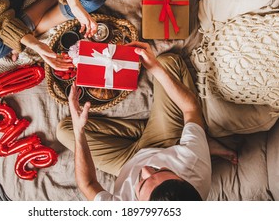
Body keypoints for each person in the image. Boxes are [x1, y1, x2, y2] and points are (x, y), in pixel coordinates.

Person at [57, 41, 238, 201]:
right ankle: (196, 138)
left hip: (126, 161)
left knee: (65, 130)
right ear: (182, 178)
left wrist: (79, 130)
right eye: (160, 170)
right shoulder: (193, 165)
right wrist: (154, 68)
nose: (144, 170)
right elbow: (191, 108)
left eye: (142, 183)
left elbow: (88, 184)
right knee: (168, 62)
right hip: (166, 143)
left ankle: (166, 131)